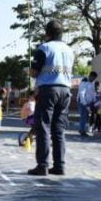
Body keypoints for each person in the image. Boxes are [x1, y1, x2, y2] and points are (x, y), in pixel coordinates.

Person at [28, 20, 74, 176]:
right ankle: (59, 166)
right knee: (59, 130)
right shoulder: (69, 50)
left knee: (43, 127)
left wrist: (30, 73)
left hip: (48, 90)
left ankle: (42, 166)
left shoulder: (44, 48)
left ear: (47, 33)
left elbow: (34, 72)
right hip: (66, 91)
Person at [77, 72, 98, 136]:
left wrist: (94, 100)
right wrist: (84, 103)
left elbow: (93, 93)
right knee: (83, 116)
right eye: (92, 77)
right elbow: (81, 93)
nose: (93, 79)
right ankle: (82, 130)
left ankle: (82, 129)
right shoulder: (84, 82)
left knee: (86, 117)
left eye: (94, 78)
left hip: (89, 103)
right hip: (82, 102)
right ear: (90, 76)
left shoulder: (92, 83)